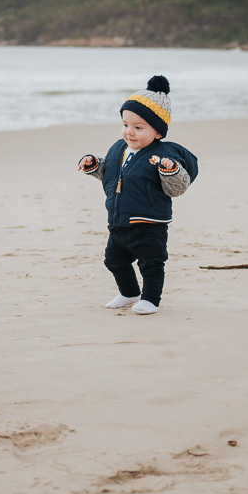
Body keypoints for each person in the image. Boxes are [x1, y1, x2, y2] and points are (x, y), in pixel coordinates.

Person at [77, 75, 198, 315]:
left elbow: (178, 188)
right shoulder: (119, 148)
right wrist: (94, 165)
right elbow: (111, 173)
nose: (129, 132)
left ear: (158, 132)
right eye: (125, 125)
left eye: (138, 127)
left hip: (149, 224)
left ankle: (151, 300)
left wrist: (170, 171)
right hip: (119, 221)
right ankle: (130, 292)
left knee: (151, 265)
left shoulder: (164, 156)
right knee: (113, 260)